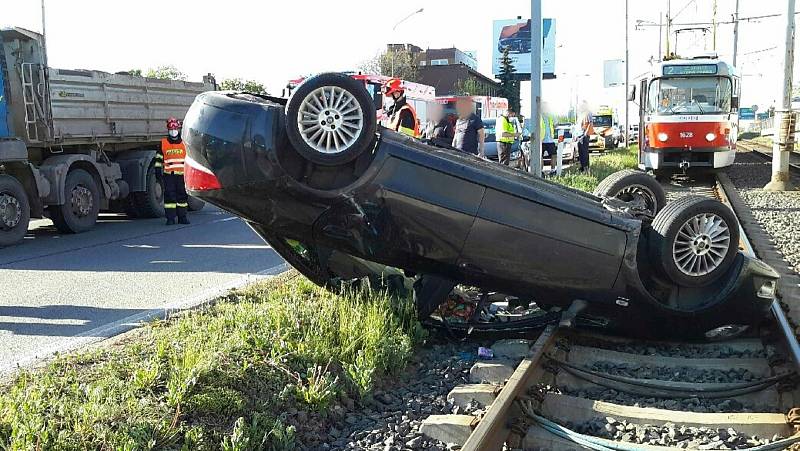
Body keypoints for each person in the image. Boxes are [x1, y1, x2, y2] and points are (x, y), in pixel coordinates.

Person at [161, 117, 189, 225]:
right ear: (168, 130)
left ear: (179, 129)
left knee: (182, 197)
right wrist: (158, 170)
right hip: (169, 175)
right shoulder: (163, 143)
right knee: (169, 197)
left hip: (182, 175)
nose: (173, 131)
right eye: (171, 129)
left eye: (175, 129)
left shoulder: (184, 143)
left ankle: (182, 217)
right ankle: (170, 218)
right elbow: (159, 158)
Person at [540, 102, 556, 172]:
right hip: (541, 140)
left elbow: (555, 124)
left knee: (554, 155)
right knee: (540, 156)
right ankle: (541, 171)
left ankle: (552, 170)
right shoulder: (539, 116)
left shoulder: (550, 116)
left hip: (550, 140)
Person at [577, 107, 594, 173]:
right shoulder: (581, 114)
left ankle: (586, 168)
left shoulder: (588, 113)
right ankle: (583, 167)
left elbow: (590, 123)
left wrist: (586, 134)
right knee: (581, 152)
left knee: (584, 152)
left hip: (584, 135)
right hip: (580, 135)